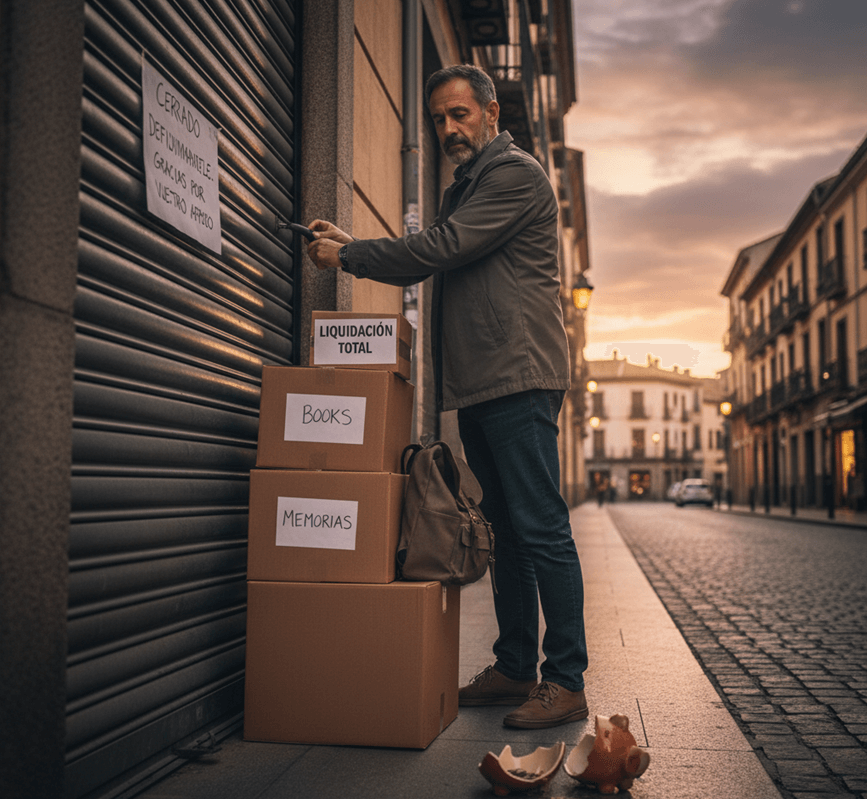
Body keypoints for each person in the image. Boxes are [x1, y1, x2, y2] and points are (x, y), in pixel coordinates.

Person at [306, 64, 588, 730]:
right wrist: (358, 245)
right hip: (486, 379)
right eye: (438, 118)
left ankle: (565, 677)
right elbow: (435, 246)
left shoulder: (512, 173)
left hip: (518, 374)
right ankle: (516, 664)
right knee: (508, 531)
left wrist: (350, 259)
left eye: (460, 114)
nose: (448, 128)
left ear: (491, 112)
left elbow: (443, 247)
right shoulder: (472, 183)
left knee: (541, 526)